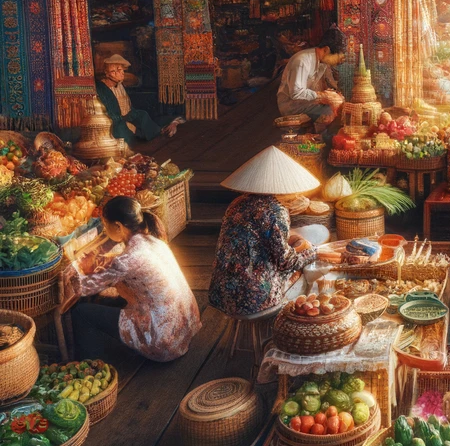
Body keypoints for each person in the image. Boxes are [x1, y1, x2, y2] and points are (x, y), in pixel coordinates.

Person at [209, 146, 342, 318]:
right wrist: (313, 252)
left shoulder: (237, 203)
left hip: (220, 290)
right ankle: (290, 321)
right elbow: (286, 262)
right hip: (253, 298)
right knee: (306, 268)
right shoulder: (275, 210)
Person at [63, 196, 200, 362]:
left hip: (164, 342)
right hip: (183, 329)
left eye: (106, 226)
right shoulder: (155, 242)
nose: (105, 231)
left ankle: (90, 368)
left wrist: (74, 267)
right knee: (109, 301)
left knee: (81, 312)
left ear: (118, 226)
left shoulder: (127, 259)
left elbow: (83, 288)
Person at [95, 55, 183, 142]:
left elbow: (127, 105)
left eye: (122, 69)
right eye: (117, 70)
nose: (122, 72)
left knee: (143, 115)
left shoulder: (119, 84)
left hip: (129, 114)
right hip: (115, 119)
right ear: (108, 73)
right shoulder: (102, 88)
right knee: (124, 134)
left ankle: (156, 133)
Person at [277, 28, 345, 119]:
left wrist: (332, 95)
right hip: (292, 106)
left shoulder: (322, 61)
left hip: (306, 103)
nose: (338, 62)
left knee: (338, 107)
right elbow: (296, 93)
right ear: (326, 50)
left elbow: (327, 84)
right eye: (337, 58)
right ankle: (324, 133)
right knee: (330, 112)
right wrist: (324, 96)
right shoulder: (302, 61)